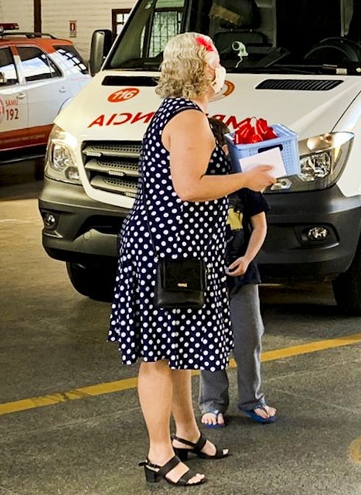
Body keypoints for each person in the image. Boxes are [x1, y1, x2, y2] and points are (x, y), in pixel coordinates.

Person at [108, 32, 275, 487]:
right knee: (159, 357)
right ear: (202, 71)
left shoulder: (190, 116)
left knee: (178, 350)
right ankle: (159, 454)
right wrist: (247, 178)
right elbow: (189, 187)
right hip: (168, 252)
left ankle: (186, 434)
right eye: (217, 62)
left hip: (182, 252)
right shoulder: (187, 120)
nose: (223, 69)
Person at [199, 118, 277, 428]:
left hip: (242, 275)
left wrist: (246, 258)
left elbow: (259, 225)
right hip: (206, 275)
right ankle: (211, 401)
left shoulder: (242, 183)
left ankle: (252, 399)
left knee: (249, 337)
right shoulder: (195, 184)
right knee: (207, 340)